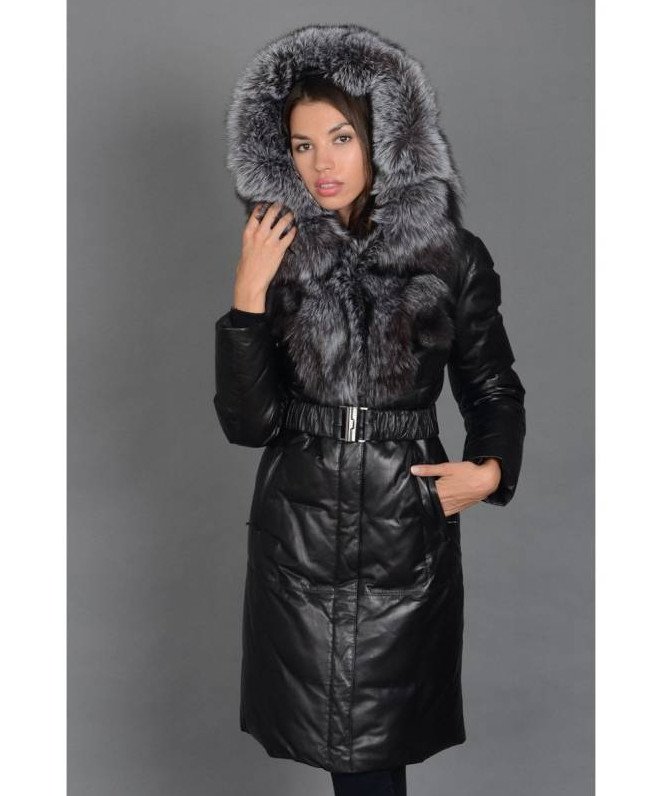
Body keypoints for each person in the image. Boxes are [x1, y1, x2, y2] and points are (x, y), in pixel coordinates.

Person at [213, 24, 526, 796]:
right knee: (352, 768)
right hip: (300, 532)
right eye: (302, 145)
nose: (321, 164)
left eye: (341, 138)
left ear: (384, 137)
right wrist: (247, 300)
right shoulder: (276, 255)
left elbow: (492, 386)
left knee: (373, 761)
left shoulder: (451, 256)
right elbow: (249, 425)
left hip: (401, 530)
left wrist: (489, 472)